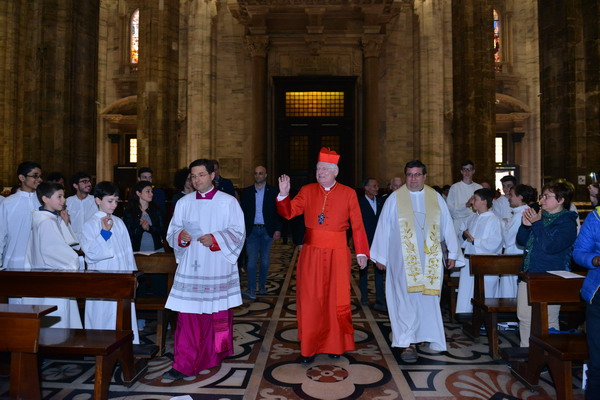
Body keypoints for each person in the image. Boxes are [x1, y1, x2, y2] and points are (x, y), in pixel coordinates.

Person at [276, 147, 369, 363]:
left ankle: (335, 345)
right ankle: (309, 348)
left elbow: (357, 225)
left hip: (338, 253)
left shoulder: (348, 193)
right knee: (310, 300)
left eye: (325, 169)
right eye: (318, 169)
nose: (321, 172)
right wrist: (283, 194)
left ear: (336, 171)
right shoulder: (307, 190)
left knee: (336, 299)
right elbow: (288, 213)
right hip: (311, 254)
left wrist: (362, 251)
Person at [370, 160, 464, 362]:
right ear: (405, 177)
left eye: (417, 175)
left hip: (430, 261)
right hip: (402, 262)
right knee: (405, 300)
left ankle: (427, 335)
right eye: (410, 175)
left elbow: (447, 225)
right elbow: (383, 228)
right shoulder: (395, 199)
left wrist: (453, 254)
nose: (413, 179)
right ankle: (407, 342)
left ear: (425, 176)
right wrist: (380, 256)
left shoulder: (435, 197)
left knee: (428, 299)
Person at [162, 159, 245, 381]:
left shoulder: (228, 202)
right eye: (193, 176)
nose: (196, 180)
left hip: (217, 264)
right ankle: (184, 363)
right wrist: (182, 236)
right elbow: (173, 231)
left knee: (216, 313)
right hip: (192, 266)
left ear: (212, 176)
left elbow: (238, 232)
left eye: (201, 175)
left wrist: (216, 238)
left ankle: (214, 355)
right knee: (188, 316)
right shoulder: (183, 203)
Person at [515, 181, 578, 347]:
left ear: (561, 200)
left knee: (548, 320)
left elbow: (550, 246)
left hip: (550, 278)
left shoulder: (567, 222)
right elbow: (521, 241)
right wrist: (525, 226)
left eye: (546, 196)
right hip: (529, 274)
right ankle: (527, 355)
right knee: (524, 317)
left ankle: (549, 357)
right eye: (542, 196)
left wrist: (536, 224)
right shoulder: (539, 217)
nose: (541, 199)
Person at [80, 182, 140, 344]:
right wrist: (104, 233)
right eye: (110, 201)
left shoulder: (119, 222)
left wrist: (132, 276)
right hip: (103, 279)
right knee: (103, 315)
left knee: (123, 315)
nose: (114, 205)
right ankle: (99, 345)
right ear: (98, 200)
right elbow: (91, 254)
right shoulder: (90, 224)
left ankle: (126, 347)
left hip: (122, 277)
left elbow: (128, 252)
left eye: (116, 201)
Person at [21, 182, 83, 329]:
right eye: (59, 197)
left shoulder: (43, 217)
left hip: (42, 277)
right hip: (54, 278)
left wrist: (64, 223)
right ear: (45, 199)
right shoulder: (47, 222)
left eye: (63, 196)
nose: (63, 200)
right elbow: (54, 252)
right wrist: (75, 261)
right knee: (57, 319)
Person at [455, 188, 503, 314]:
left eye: (475, 199)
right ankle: (466, 314)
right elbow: (461, 233)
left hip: (486, 262)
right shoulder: (472, 218)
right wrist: (464, 236)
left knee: (485, 291)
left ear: (484, 202)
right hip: (470, 260)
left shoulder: (494, 220)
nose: (472, 202)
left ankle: (485, 318)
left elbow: (495, 242)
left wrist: (476, 241)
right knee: (467, 288)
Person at [240, 166, 282, 299]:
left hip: (267, 230)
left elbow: (279, 212)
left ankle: (262, 286)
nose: (258, 176)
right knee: (251, 262)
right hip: (252, 230)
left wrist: (278, 229)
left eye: (261, 173)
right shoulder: (247, 192)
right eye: (256, 173)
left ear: (265, 175)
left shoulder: (274, 191)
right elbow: (242, 212)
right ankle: (252, 289)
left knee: (264, 261)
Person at [572, 205, 600, 400]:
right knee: (598, 360)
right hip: (598, 293)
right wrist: (596, 260)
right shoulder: (596, 216)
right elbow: (579, 252)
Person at [0, 161, 43, 268]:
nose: (39, 180)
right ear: (22, 178)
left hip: (40, 260)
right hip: (15, 259)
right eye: (35, 176)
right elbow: (1, 234)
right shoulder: (8, 203)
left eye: (40, 176)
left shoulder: (44, 200)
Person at [499, 184, 537, 297]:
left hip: (515, 254)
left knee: (511, 288)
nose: (509, 197)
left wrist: (501, 224)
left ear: (520, 197)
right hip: (516, 253)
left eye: (511, 195)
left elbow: (508, 240)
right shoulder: (521, 212)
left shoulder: (521, 214)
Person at [357, 177, 386, 311]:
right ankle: (364, 297)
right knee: (363, 270)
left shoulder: (381, 202)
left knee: (379, 270)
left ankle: (380, 299)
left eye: (377, 186)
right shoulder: (359, 203)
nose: (376, 188)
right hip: (364, 241)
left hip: (378, 242)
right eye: (374, 186)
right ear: (366, 188)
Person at [123, 181, 165, 252]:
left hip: (157, 250)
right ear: (138, 193)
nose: (151, 194)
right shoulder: (130, 212)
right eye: (147, 191)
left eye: (151, 191)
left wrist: (150, 228)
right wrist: (141, 228)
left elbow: (163, 230)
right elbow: (128, 234)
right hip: (137, 251)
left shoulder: (156, 210)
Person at [446, 160, 482, 234]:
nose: (467, 172)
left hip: (475, 223)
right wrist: (466, 205)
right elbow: (450, 209)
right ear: (461, 171)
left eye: (469, 169)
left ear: (473, 171)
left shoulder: (479, 188)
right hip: (459, 224)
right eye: (465, 169)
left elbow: (483, 207)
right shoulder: (455, 187)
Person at [66, 172, 97, 242]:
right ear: (75, 185)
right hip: (73, 243)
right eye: (85, 182)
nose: (89, 184)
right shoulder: (68, 202)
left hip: (92, 243)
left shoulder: (96, 201)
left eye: (89, 181)